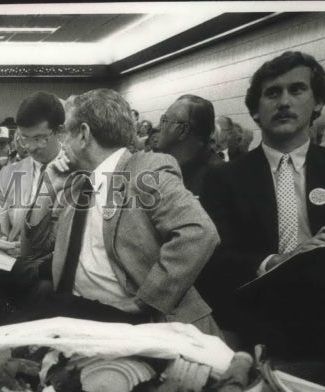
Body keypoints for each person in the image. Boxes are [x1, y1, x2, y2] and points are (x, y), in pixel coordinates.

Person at [198, 51, 325, 344]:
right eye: (272, 93)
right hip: (259, 315)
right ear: (255, 111)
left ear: (317, 102)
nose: (284, 102)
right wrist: (279, 261)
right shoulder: (224, 178)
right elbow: (215, 259)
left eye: (297, 89)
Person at [43, 89, 221, 335]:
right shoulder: (75, 182)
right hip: (78, 316)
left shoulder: (147, 169)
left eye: (65, 133)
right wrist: (49, 187)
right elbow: (36, 247)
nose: (62, 143)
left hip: (145, 327)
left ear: (83, 134)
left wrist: (145, 301)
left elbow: (199, 231)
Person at [0, 92, 66, 324]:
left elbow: (67, 235)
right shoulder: (11, 172)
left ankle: (9, 323)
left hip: (48, 262)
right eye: (25, 139)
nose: (32, 147)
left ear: (60, 132)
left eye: (40, 138)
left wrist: (25, 251)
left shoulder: (74, 173)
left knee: (45, 286)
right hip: (11, 256)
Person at [155, 94, 224, 197]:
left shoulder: (218, 180)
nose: (158, 126)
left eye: (164, 120)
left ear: (183, 130)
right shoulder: (164, 166)